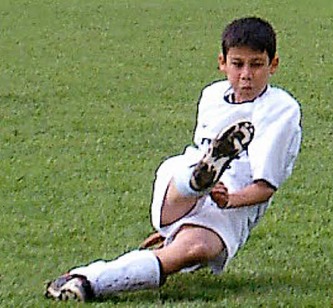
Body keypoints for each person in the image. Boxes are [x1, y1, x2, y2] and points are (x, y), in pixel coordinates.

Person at [44, 16, 302, 302]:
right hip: (180, 178)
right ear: (222, 62)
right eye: (237, 64)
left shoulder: (281, 110)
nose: (246, 74)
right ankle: (199, 180)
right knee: (188, 177)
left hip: (234, 203)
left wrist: (229, 200)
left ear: (273, 65)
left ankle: (86, 281)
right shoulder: (212, 95)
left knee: (195, 250)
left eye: (256, 65)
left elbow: (265, 187)